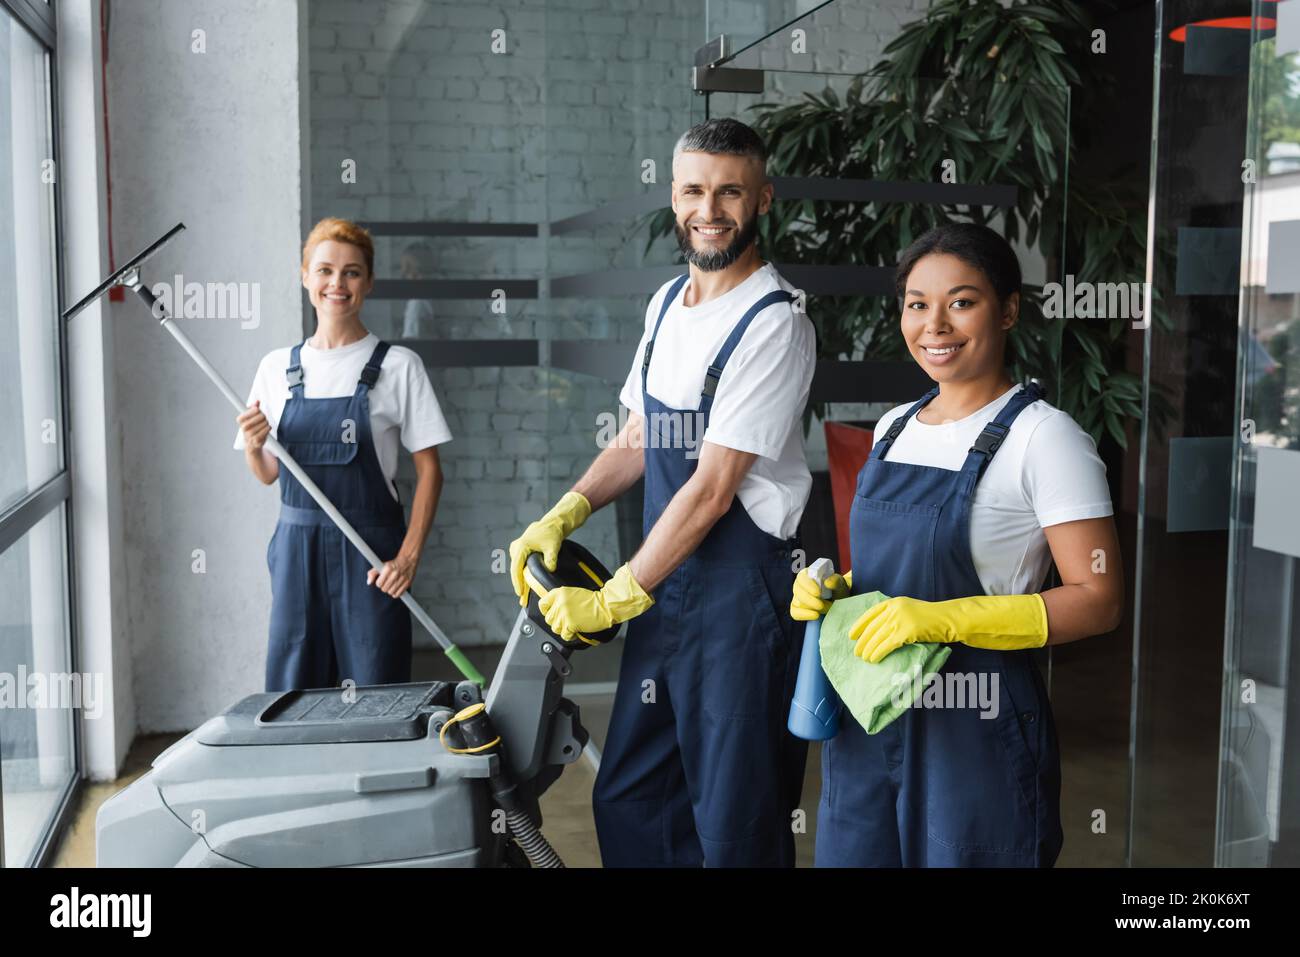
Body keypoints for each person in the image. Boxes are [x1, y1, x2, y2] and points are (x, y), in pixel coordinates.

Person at [509, 118, 816, 866]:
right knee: (634, 799)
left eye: (729, 191)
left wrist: (615, 596)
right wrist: (565, 508)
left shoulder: (774, 324)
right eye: (692, 190)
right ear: (673, 196)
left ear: (763, 198)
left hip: (738, 607)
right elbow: (643, 435)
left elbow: (711, 489)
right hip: (664, 590)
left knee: (734, 817)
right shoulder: (666, 303)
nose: (708, 209)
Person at [791, 222, 1124, 867]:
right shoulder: (892, 428)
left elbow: (1100, 598)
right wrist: (834, 596)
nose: (935, 325)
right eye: (918, 304)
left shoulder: (1046, 438)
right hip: (873, 715)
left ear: (1008, 310)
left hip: (976, 723)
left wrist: (946, 619)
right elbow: (883, 572)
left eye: (962, 301)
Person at [235, 217, 452, 692]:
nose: (338, 283)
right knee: (292, 690)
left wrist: (407, 557)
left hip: (371, 552)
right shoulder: (276, 369)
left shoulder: (398, 367)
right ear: (305, 277)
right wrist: (254, 447)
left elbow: (430, 470)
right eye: (325, 270)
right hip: (296, 550)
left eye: (352, 272)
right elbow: (269, 475)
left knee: (377, 688)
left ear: (369, 282)